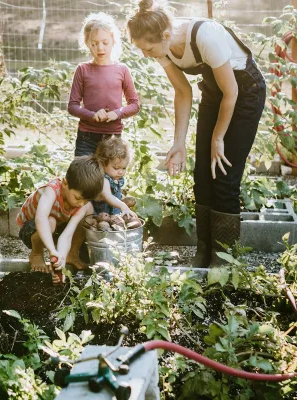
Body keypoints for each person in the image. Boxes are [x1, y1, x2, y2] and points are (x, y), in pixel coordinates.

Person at [127, 0, 266, 267]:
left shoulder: (206, 35)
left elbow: (232, 92)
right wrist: (178, 143)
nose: (146, 54)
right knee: (202, 175)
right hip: (215, 95)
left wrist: (218, 138)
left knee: (223, 174)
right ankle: (204, 253)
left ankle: (224, 260)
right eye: (142, 49)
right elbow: (183, 92)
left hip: (245, 93)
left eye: (149, 48)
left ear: (166, 36)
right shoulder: (162, 48)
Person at [16, 156, 104, 282]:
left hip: (57, 228)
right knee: (50, 221)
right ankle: (36, 253)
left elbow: (67, 235)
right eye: (78, 198)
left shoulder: (81, 204)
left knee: (88, 209)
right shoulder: (52, 190)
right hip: (31, 230)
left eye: (86, 200)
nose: (81, 203)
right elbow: (41, 218)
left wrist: (59, 261)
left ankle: (71, 255)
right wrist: (52, 250)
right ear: (65, 183)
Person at [68, 12, 140, 157]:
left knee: (111, 179)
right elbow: (72, 106)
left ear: (113, 40)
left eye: (105, 42)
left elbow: (134, 105)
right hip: (86, 137)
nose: (100, 48)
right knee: (84, 178)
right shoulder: (82, 69)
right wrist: (92, 115)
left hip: (113, 137)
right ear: (87, 44)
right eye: (94, 44)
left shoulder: (122, 70)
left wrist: (117, 113)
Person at [93, 135, 137, 217]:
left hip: (113, 216)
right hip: (100, 217)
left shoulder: (115, 177)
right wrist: (122, 206)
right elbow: (108, 196)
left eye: (124, 168)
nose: (121, 172)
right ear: (102, 163)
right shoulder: (104, 180)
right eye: (116, 168)